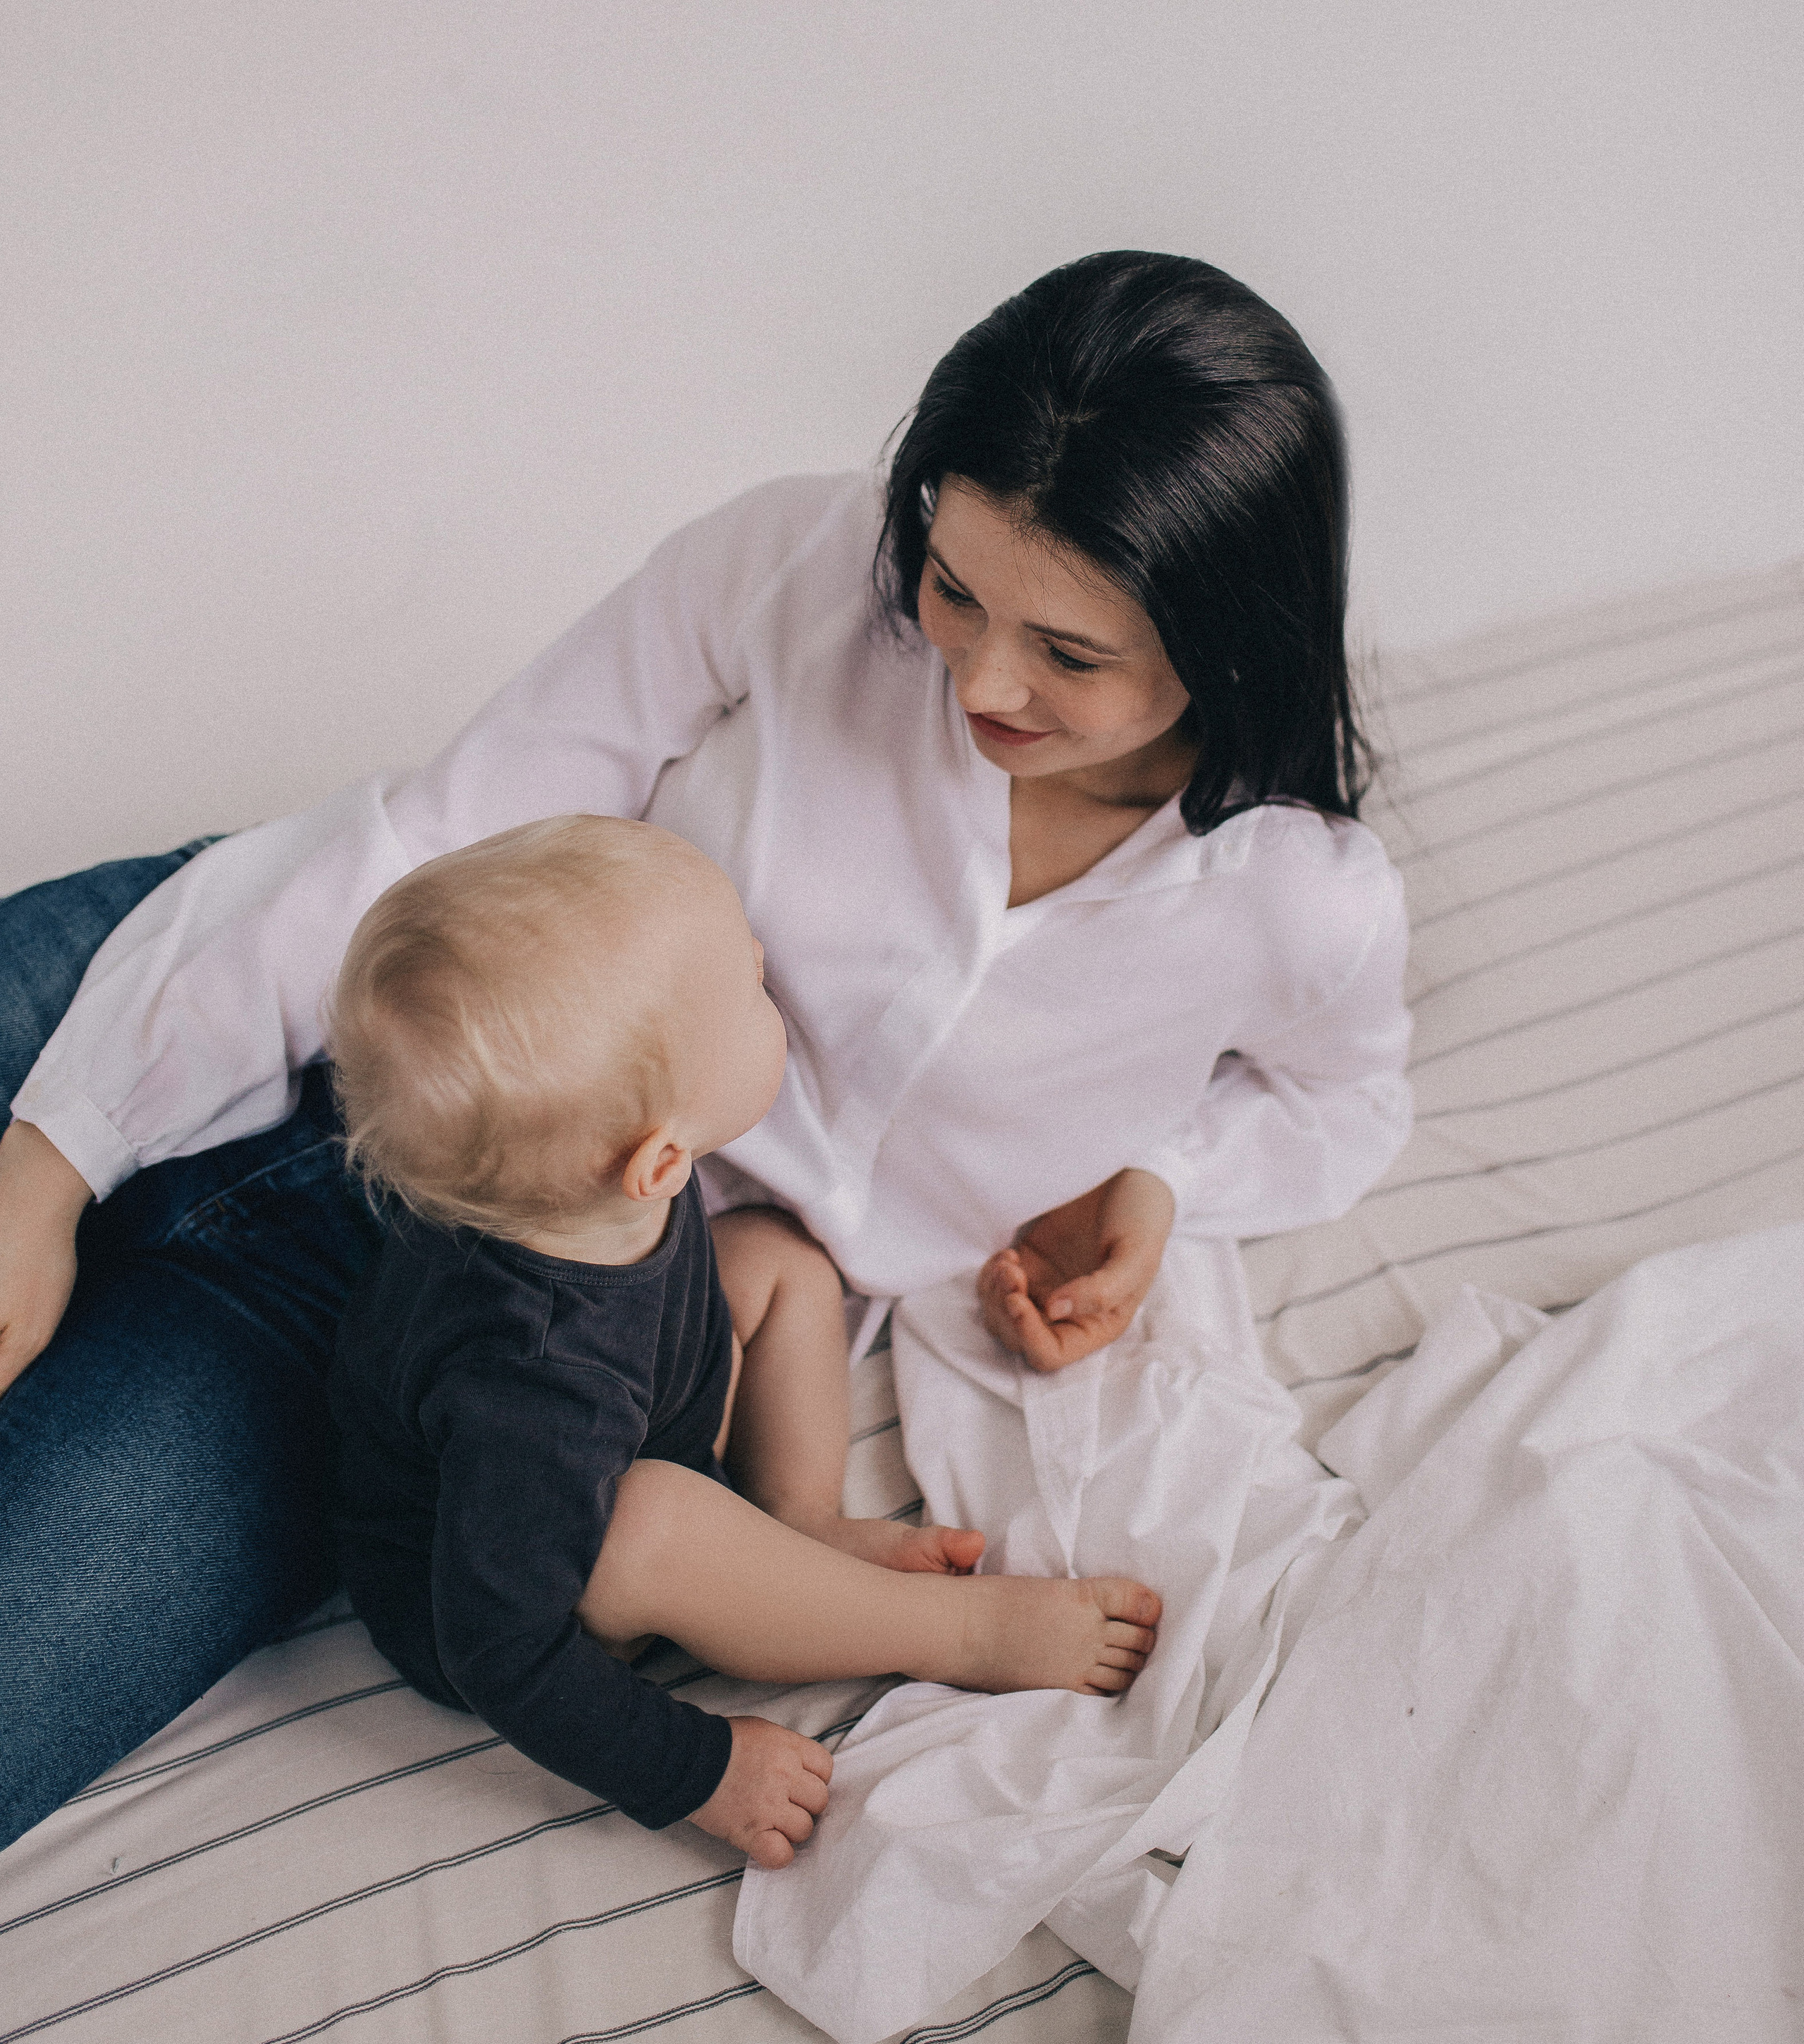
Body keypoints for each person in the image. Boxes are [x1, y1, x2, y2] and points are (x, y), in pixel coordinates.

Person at [0, 248, 1413, 1849]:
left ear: (1230, 641)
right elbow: (450, 832)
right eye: (952, 588)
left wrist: (1150, 1173)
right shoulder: (805, 564)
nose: (978, 679)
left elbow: (1345, 1105)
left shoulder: (1296, 905)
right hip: (380, 976)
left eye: (1068, 657)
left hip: (472, 1308)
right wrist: (59, 1153)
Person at [327, 813, 1160, 1868]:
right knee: (648, 1521)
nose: (767, 965)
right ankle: (958, 1633)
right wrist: (696, 1770)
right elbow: (498, 1649)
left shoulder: (573, 1191)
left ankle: (796, 1517)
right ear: (660, 1161)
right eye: (748, 987)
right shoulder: (530, 1389)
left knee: (772, 1256)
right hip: (529, 1584)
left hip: (636, 1425)